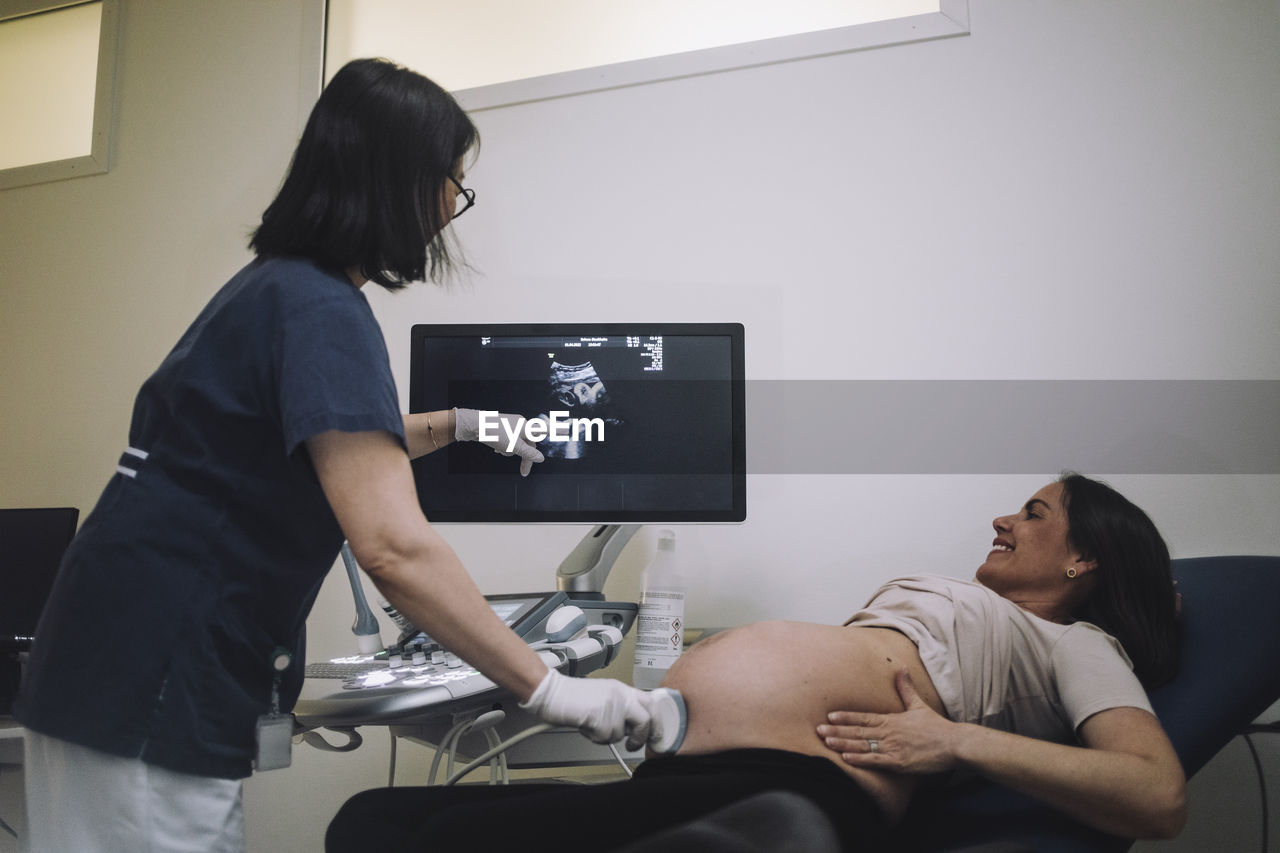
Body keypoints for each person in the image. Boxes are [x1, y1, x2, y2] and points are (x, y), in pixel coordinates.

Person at [15, 58, 669, 853]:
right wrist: (548, 686)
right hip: (153, 677)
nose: (450, 210)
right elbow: (393, 546)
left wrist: (462, 422)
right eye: (451, 185)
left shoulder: (277, 289)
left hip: (107, 660)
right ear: (399, 181)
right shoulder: (322, 309)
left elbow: (333, 436)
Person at [325, 473, 1186, 852]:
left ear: (1084, 561)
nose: (1004, 518)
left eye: (1034, 512)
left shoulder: (1078, 643)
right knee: (369, 819)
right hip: (699, 780)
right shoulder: (984, 611)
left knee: (435, 840)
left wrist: (956, 744)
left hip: (799, 783)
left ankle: (784, 834)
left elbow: (1154, 794)